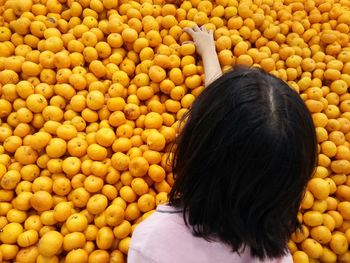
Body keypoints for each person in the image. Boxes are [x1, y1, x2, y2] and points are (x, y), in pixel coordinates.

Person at [128, 26, 317, 263]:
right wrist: (209, 52)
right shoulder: (277, 255)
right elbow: (232, 132)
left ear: (192, 152)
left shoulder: (152, 243)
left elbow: (224, 128)